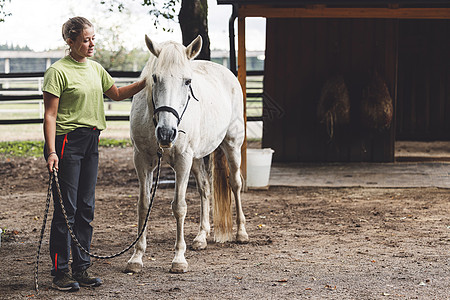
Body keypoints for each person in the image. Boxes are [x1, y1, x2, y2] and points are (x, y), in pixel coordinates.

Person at [43, 16, 146, 292]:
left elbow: (117, 93)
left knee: (86, 208)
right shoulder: (57, 72)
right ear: (70, 41)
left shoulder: (96, 69)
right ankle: (60, 272)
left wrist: (145, 82)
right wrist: (52, 151)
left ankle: (82, 267)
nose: (91, 44)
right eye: (85, 40)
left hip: (91, 141)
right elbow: (50, 116)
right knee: (67, 209)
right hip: (66, 143)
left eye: (93, 39)